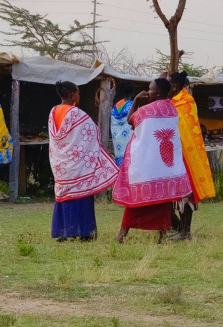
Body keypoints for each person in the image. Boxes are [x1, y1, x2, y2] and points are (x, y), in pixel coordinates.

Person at [114, 79, 193, 243]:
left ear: (157, 93)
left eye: (150, 90)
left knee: (135, 201)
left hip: (147, 164)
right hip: (165, 167)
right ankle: (162, 236)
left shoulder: (145, 111)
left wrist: (136, 100)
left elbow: (130, 121)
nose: (147, 92)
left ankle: (123, 235)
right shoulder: (172, 109)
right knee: (161, 201)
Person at [48, 81, 118, 241]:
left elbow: (58, 139)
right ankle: (85, 232)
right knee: (82, 196)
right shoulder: (76, 114)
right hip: (77, 165)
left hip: (61, 164)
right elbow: (93, 132)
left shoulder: (53, 112)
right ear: (72, 94)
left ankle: (63, 232)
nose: (79, 96)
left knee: (64, 198)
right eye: (78, 92)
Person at [168, 71, 216, 240]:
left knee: (187, 193)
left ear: (174, 86)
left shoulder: (185, 102)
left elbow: (185, 128)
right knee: (178, 192)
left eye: (168, 83)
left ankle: (185, 231)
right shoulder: (174, 101)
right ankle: (181, 229)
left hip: (187, 154)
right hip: (176, 153)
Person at [111, 81, 135, 166]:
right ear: (132, 92)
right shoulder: (133, 105)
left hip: (118, 140)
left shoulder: (116, 106)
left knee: (120, 159)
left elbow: (114, 124)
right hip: (129, 139)